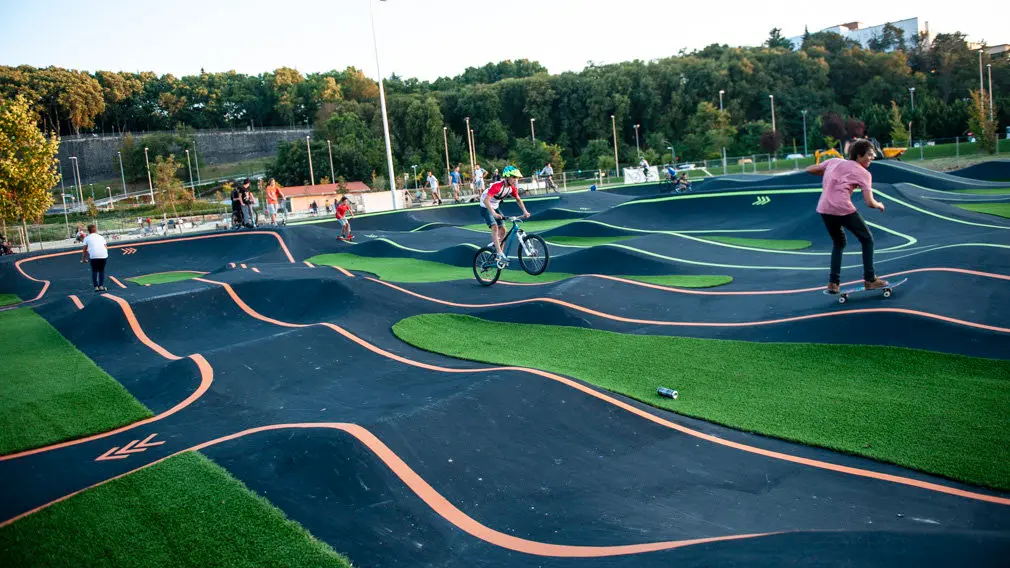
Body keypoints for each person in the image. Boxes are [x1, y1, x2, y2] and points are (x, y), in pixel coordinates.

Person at [805, 138, 888, 294]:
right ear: (858, 155)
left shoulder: (834, 161)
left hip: (824, 208)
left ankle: (833, 283)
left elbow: (810, 169)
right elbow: (869, 202)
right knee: (867, 238)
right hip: (842, 208)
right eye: (869, 155)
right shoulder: (864, 173)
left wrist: (827, 173)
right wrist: (879, 204)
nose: (872, 158)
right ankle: (870, 280)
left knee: (839, 243)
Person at [479, 165, 531, 264]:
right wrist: (493, 213)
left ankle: (500, 255)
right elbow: (486, 200)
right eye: (514, 177)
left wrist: (525, 211)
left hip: (495, 206)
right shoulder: (497, 186)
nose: (516, 180)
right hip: (485, 206)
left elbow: (518, 200)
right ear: (507, 176)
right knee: (494, 226)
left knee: (503, 229)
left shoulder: (511, 188)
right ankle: (499, 253)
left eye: (517, 178)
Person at [80, 224, 109, 292]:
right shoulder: (101, 237)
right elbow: (105, 247)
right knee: (101, 270)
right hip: (103, 255)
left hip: (94, 256)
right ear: (95, 229)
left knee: (94, 270)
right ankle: (101, 286)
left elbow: (84, 249)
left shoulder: (87, 238)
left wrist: (83, 259)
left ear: (88, 231)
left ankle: (96, 287)